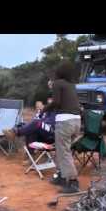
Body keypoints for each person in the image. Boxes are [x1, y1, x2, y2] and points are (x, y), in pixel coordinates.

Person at [42, 61, 82, 194]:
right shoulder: (71, 85)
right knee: (61, 150)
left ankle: (73, 182)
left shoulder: (58, 83)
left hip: (65, 122)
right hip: (76, 122)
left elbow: (57, 102)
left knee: (63, 151)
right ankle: (61, 176)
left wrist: (44, 109)